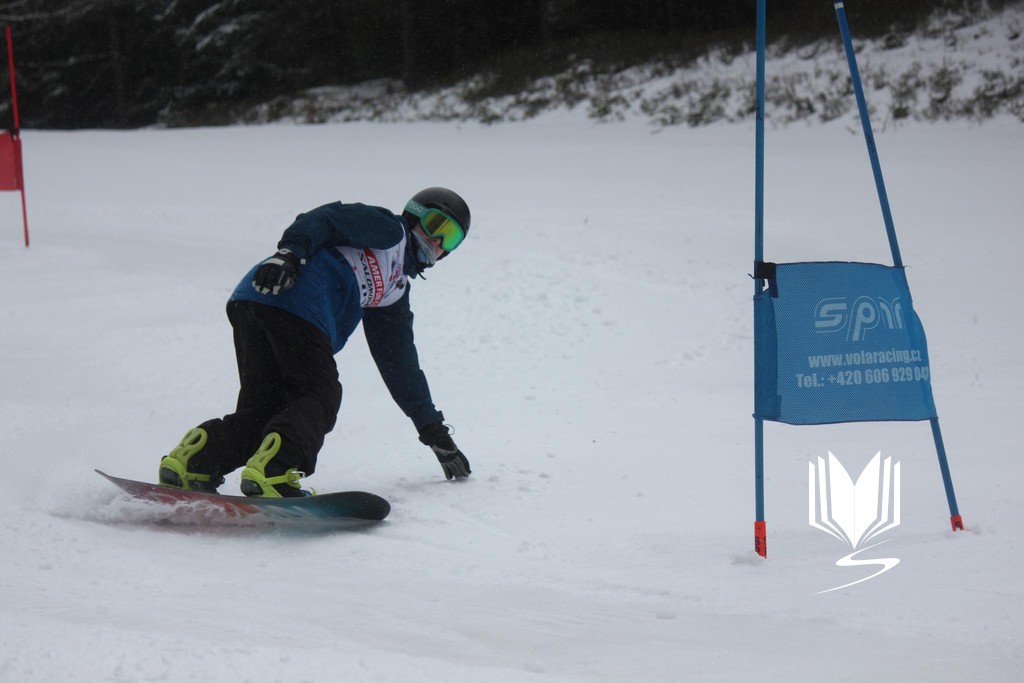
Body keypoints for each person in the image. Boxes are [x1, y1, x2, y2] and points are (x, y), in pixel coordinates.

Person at [157, 187, 473, 497]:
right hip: (292, 294)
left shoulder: (394, 292)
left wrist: (431, 428)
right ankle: (275, 471)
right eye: (436, 225)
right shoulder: (390, 231)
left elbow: (399, 363)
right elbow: (325, 218)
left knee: (266, 410)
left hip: (254, 302)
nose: (438, 241)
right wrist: (289, 254)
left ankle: (195, 462)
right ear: (414, 215)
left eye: (451, 239)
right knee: (320, 394)